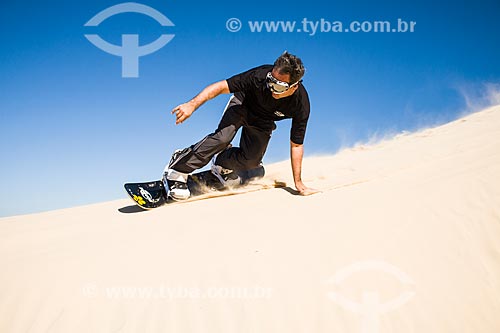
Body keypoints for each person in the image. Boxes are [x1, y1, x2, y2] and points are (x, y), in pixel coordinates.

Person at [163, 51, 318, 200]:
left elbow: (296, 145)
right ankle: (177, 168)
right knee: (222, 139)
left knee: (251, 161)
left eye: (278, 87)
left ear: (294, 86)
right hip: (242, 105)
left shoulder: (300, 105)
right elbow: (220, 86)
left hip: (263, 121)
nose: (271, 87)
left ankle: (222, 163)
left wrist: (298, 183)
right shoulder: (258, 76)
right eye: (270, 80)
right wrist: (192, 105)